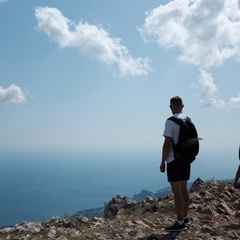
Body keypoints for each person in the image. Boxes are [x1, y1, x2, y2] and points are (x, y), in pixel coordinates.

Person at [160, 96, 193, 232]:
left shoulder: (170, 122)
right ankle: (185, 218)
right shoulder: (188, 119)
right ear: (183, 106)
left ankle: (179, 223)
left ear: (170, 107)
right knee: (184, 188)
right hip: (186, 159)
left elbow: (167, 144)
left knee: (177, 191)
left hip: (174, 160)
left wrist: (163, 162)